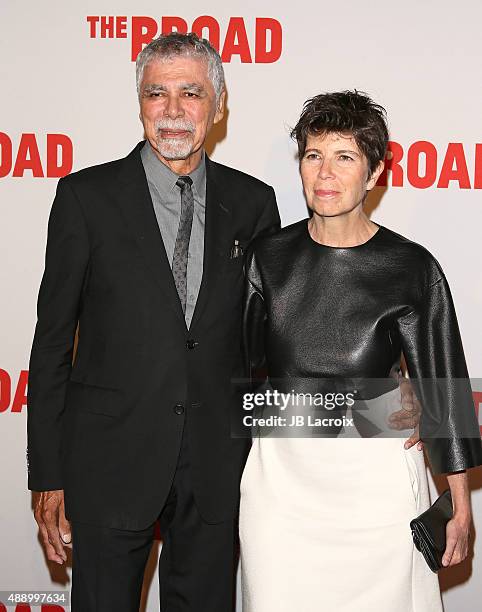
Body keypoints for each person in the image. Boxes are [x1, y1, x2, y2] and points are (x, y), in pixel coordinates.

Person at [26, 34, 418, 610]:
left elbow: (283, 342)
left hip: (218, 465)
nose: (174, 110)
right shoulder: (85, 197)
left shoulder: (254, 202)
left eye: (192, 92)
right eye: (157, 93)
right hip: (109, 462)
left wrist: (399, 401)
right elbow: (52, 342)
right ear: (139, 102)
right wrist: (47, 474)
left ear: (219, 104)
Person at [239, 91, 482, 611]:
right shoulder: (269, 259)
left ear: (374, 175)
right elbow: (234, 370)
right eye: (313, 155)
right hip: (281, 486)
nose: (325, 173)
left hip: (379, 489)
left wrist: (460, 506)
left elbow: (444, 383)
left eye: (344, 157)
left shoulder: (410, 267)